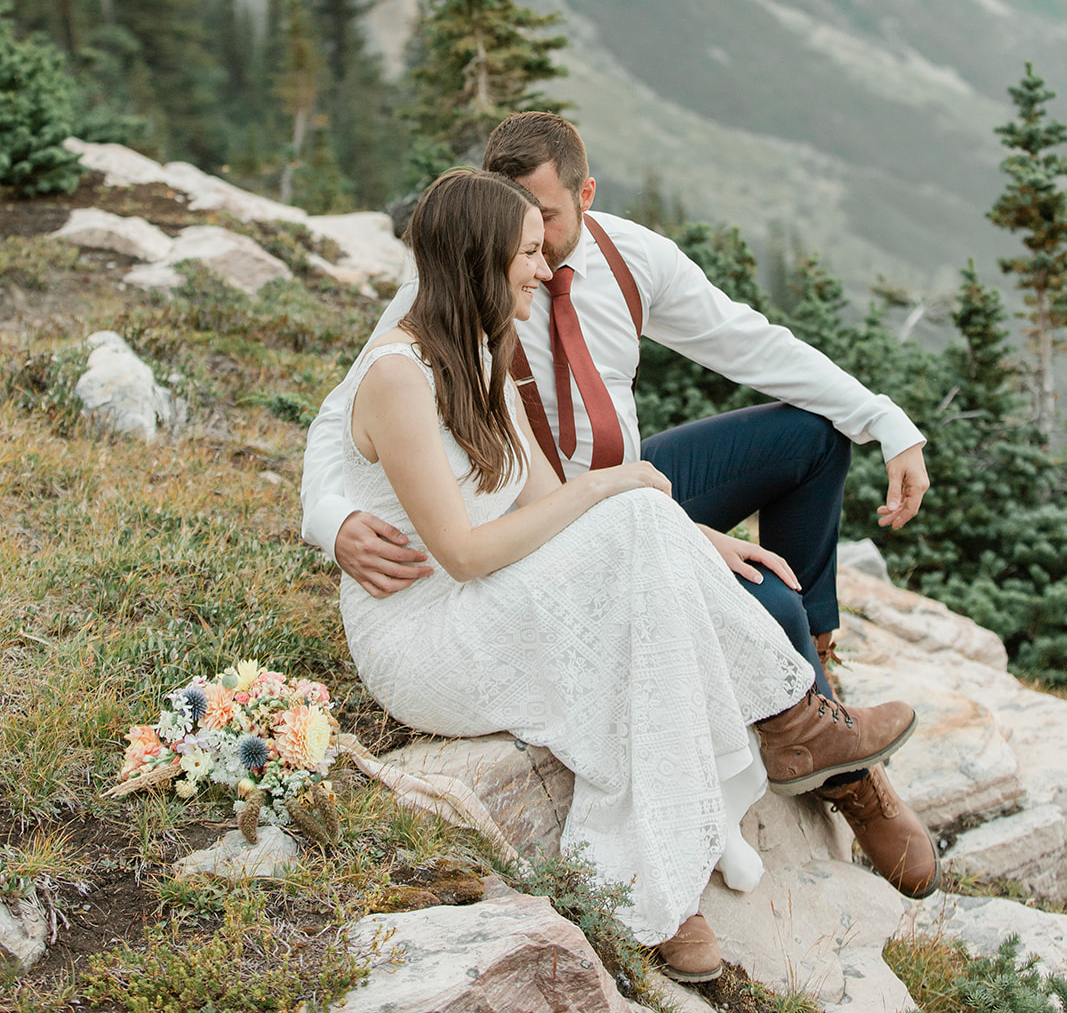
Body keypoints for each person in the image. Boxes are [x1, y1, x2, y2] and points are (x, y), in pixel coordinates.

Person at [303, 113, 940, 900]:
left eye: (547, 224)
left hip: (617, 482)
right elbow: (343, 416)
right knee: (760, 596)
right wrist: (328, 523)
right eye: (518, 232)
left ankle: (818, 680)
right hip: (545, 517)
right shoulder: (460, 281)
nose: (533, 249)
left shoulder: (630, 258)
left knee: (813, 437)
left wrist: (884, 419)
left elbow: (752, 343)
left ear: (585, 195)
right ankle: (834, 764)